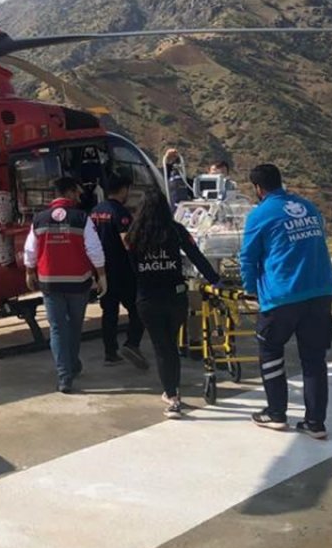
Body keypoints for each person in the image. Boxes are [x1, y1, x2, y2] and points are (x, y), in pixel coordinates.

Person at [240, 164, 332, 439]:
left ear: (257, 189)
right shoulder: (308, 206)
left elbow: (248, 258)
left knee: (270, 350)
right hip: (320, 290)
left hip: (283, 293)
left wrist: (250, 289)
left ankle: (276, 413)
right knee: (314, 358)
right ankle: (315, 422)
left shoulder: (260, 215)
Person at [126, 187, 220, 418]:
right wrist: (215, 279)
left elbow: (131, 269)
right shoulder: (176, 230)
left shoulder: (133, 234)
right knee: (170, 346)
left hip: (148, 299)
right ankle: (173, 393)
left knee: (162, 348)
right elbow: (196, 256)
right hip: (175, 297)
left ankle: (172, 395)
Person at [24, 177, 107, 394]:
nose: (79, 196)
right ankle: (71, 365)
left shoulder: (39, 219)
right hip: (78, 283)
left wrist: (29, 271)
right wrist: (101, 275)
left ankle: (65, 375)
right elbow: (94, 249)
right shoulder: (82, 218)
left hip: (50, 282)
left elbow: (30, 250)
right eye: (77, 192)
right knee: (74, 326)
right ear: (70, 193)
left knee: (57, 328)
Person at [89, 175, 148, 369]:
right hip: (123, 271)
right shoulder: (120, 213)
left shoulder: (95, 212)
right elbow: (127, 242)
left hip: (103, 271)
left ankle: (110, 353)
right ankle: (132, 343)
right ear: (123, 189)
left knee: (109, 313)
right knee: (138, 310)